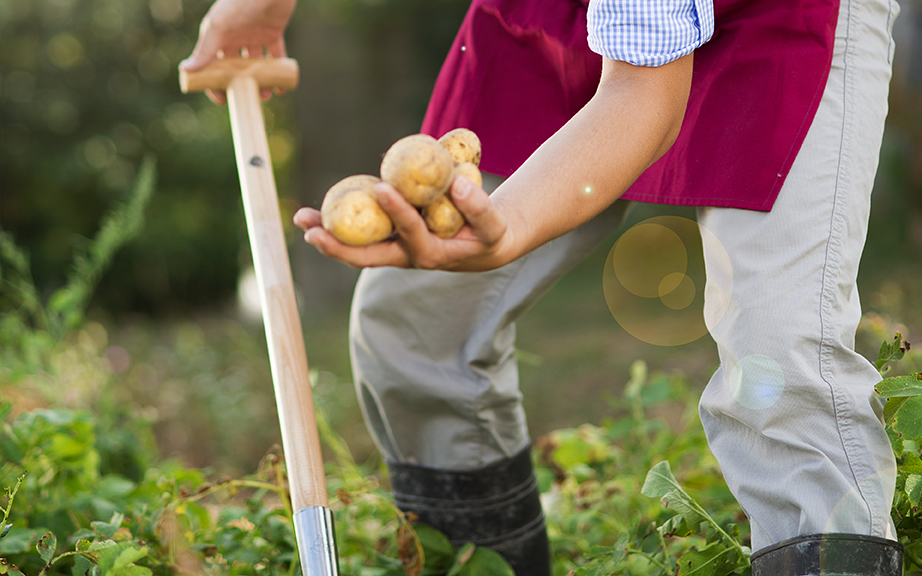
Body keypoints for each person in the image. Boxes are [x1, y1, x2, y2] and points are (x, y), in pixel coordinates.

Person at [181, 0, 905, 574]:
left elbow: (644, 97)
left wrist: (509, 227)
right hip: (561, 15)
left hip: (782, 20)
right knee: (418, 318)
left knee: (782, 354)